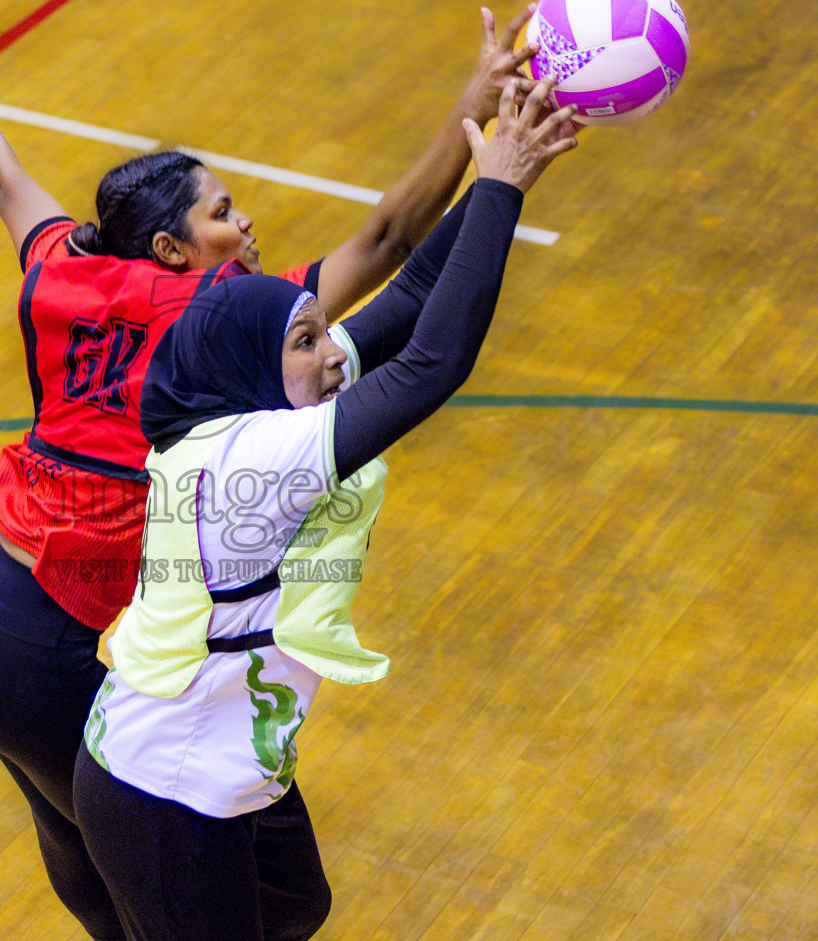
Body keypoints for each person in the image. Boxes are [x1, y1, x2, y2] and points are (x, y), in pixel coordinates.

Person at [0, 0, 545, 940]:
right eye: (223, 215)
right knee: (173, 878)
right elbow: (389, 246)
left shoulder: (67, 265)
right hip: (40, 629)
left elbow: (4, 176)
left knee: (101, 863)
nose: (245, 227)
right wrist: (480, 127)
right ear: (172, 248)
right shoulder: (213, 334)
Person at [71, 77, 578, 941]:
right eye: (308, 343)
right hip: (163, 790)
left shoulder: (256, 400)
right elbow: (432, 364)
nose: (333, 356)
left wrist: (511, 166)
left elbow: (414, 296)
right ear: (260, 366)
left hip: (225, 767)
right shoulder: (250, 462)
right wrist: (496, 188)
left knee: (299, 907)